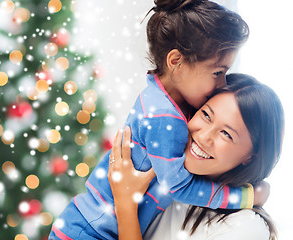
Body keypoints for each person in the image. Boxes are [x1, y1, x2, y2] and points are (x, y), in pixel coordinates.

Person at [48, 1, 259, 239]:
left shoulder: (160, 94)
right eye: (217, 73)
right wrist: (245, 196)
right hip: (89, 231)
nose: (223, 84)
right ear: (176, 61)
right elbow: (178, 186)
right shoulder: (163, 117)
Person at [108, 73, 284, 240]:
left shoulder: (246, 227)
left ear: (250, 157)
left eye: (226, 134)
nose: (203, 136)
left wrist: (125, 205)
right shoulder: (166, 172)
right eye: (206, 115)